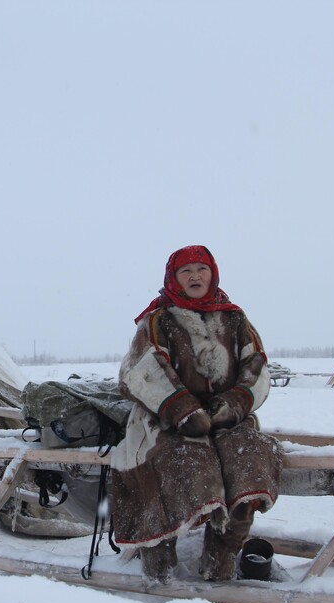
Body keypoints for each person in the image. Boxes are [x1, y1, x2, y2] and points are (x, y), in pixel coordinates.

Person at [111, 245, 281, 583]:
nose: (194, 277)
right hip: (163, 420)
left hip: (226, 419)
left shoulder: (234, 319)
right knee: (177, 461)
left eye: (201, 270)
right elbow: (139, 371)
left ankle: (221, 559)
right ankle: (158, 563)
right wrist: (181, 407)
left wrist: (234, 402)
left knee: (250, 457)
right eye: (185, 271)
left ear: (212, 274)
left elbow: (256, 366)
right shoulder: (158, 320)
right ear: (173, 279)